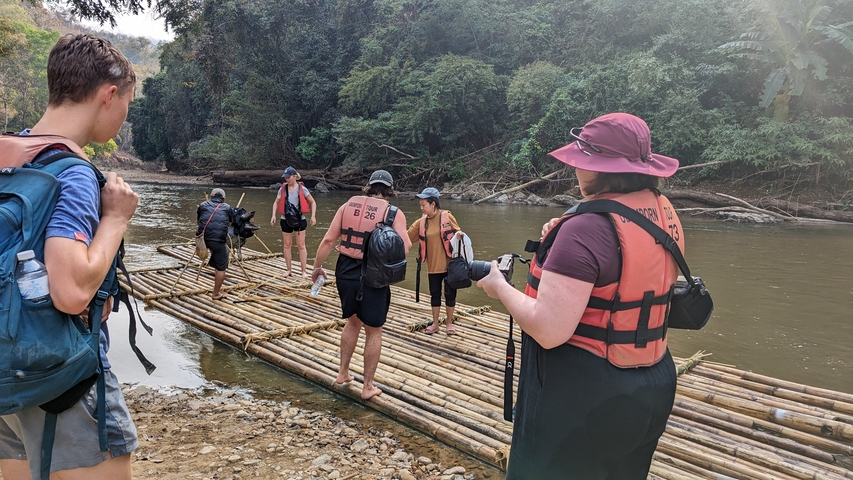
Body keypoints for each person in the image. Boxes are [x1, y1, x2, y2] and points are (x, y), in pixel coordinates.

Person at [476, 113, 685, 479]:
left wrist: (499, 287)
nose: (576, 170)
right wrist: (562, 236)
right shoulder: (663, 212)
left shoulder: (585, 228)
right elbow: (622, 267)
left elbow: (548, 328)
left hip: (586, 394)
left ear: (598, 168)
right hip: (655, 383)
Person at [0, 34, 140, 480]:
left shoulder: (12, 153)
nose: (123, 115)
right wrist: (116, 219)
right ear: (109, 94)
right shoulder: (73, 172)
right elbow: (71, 291)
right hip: (58, 374)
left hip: (7, 366)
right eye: (127, 104)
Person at [311, 170, 411, 400]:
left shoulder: (346, 206)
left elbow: (328, 239)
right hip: (373, 274)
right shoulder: (393, 213)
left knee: (352, 321)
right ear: (389, 190)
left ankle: (343, 374)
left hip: (345, 268)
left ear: (369, 186)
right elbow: (404, 247)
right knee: (374, 330)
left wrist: (317, 267)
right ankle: (367, 387)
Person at [406, 187, 462, 335]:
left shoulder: (447, 217)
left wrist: (461, 236)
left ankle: (449, 323)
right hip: (433, 266)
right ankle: (435, 324)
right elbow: (406, 238)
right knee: (435, 294)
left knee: (450, 295)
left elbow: (459, 234)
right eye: (420, 205)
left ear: (433, 204)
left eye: (424, 205)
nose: (422, 208)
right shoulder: (420, 223)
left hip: (450, 265)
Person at [270, 166, 317, 279]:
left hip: (299, 220)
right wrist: (273, 215)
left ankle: (304, 271)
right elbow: (276, 202)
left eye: (288, 177)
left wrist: (313, 217)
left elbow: (313, 202)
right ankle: (288, 270)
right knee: (287, 245)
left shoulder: (302, 189)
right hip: (285, 219)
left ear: (295, 176)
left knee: (301, 245)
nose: (287, 179)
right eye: (285, 177)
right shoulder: (282, 189)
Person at [197, 188, 232, 300]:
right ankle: (216, 293)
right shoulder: (227, 208)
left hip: (202, 240)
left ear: (211, 196)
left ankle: (213, 262)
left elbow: (198, 222)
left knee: (215, 252)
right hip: (218, 241)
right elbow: (229, 223)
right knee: (222, 268)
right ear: (223, 198)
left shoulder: (202, 205)